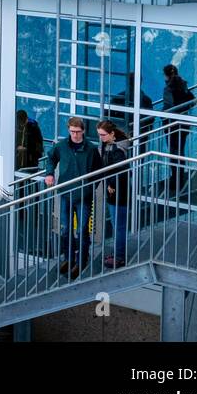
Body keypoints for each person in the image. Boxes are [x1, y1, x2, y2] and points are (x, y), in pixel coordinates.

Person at [43, 116, 103, 278]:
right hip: (66, 194)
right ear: (68, 131)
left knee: (82, 230)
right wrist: (49, 174)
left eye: (77, 132)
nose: (75, 135)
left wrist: (90, 188)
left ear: (83, 131)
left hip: (84, 197)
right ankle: (69, 258)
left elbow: (98, 170)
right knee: (66, 229)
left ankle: (82, 260)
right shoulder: (62, 146)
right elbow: (51, 159)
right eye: (72, 132)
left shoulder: (90, 149)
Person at [97, 119, 131, 268]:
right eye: (99, 135)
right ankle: (118, 253)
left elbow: (123, 171)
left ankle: (120, 257)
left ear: (112, 134)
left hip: (119, 192)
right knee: (116, 223)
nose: (101, 138)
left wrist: (111, 183)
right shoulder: (107, 145)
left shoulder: (118, 149)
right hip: (112, 190)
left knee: (119, 226)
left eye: (103, 135)